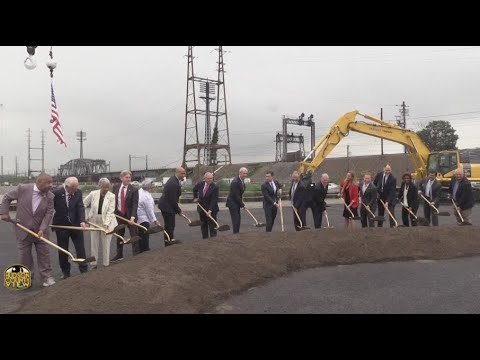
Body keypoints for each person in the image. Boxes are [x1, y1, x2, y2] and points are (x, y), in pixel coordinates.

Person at [0, 173, 56, 287]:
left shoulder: (50, 196)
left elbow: (49, 214)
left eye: (52, 182)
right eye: (48, 183)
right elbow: (6, 198)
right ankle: (25, 278)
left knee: (44, 255)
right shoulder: (23, 189)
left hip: (41, 231)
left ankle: (47, 278)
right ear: (39, 182)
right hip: (23, 229)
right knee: (24, 256)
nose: (51, 185)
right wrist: (4, 212)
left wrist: (42, 229)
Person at [52, 177, 88, 279]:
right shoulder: (56, 193)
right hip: (61, 225)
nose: (76, 190)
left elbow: (80, 207)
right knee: (63, 250)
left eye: (77, 187)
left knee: (80, 248)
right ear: (67, 187)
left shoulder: (78, 192)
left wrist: (82, 221)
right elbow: (49, 208)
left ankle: (84, 269)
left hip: (76, 225)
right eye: (74, 188)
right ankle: (65, 272)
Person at [83, 177, 117, 269]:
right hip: (94, 220)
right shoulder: (93, 194)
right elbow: (83, 204)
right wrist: (85, 217)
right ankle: (94, 264)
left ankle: (106, 264)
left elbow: (110, 211)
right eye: (104, 187)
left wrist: (106, 224)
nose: (106, 189)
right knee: (94, 243)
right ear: (99, 186)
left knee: (106, 243)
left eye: (107, 187)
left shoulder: (112, 196)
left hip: (107, 221)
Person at [111, 170, 139, 262]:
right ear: (121, 178)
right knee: (119, 235)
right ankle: (119, 255)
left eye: (129, 177)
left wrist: (132, 217)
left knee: (133, 235)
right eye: (126, 177)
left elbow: (135, 204)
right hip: (119, 216)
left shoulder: (134, 189)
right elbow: (112, 201)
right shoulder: (115, 187)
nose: (128, 179)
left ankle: (136, 254)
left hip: (130, 216)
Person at [158, 167, 185, 245]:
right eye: (182, 173)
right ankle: (169, 241)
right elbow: (172, 200)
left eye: (184, 173)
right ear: (177, 173)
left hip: (167, 204)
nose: (183, 175)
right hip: (166, 205)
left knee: (170, 224)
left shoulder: (175, 180)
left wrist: (178, 210)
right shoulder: (173, 183)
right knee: (170, 224)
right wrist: (179, 210)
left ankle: (169, 240)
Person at [137, 179, 162, 252]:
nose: (154, 188)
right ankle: (144, 249)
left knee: (142, 233)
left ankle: (142, 249)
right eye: (152, 187)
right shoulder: (145, 196)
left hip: (140, 216)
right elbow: (149, 210)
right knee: (144, 234)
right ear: (148, 187)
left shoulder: (141, 191)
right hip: (143, 218)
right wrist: (155, 220)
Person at [193, 172, 219, 238]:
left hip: (211, 209)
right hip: (202, 208)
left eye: (211, 178)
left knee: (212, 226)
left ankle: (213, 240)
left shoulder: (215, 187)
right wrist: (195, 198)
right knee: (203, 225)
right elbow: (194, 189)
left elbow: (214, 200)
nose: (210, 180)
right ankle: (205, 240)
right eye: (208, 178)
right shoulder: (200, 184)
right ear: (204, 178)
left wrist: (210, 210)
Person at [226, 167, 248, 234]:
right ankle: (235, 234)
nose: (245, 175)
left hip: (237, 203)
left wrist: (241, 203)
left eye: (246, 173)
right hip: (232, 203)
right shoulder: (235, 182)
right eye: (244, 173)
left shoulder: (241, 181)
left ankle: (236, 233)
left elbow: (240, 194)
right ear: (240, 173)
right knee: (236, 219)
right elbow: (236, 196)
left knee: (238, 219)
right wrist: (243, 205)